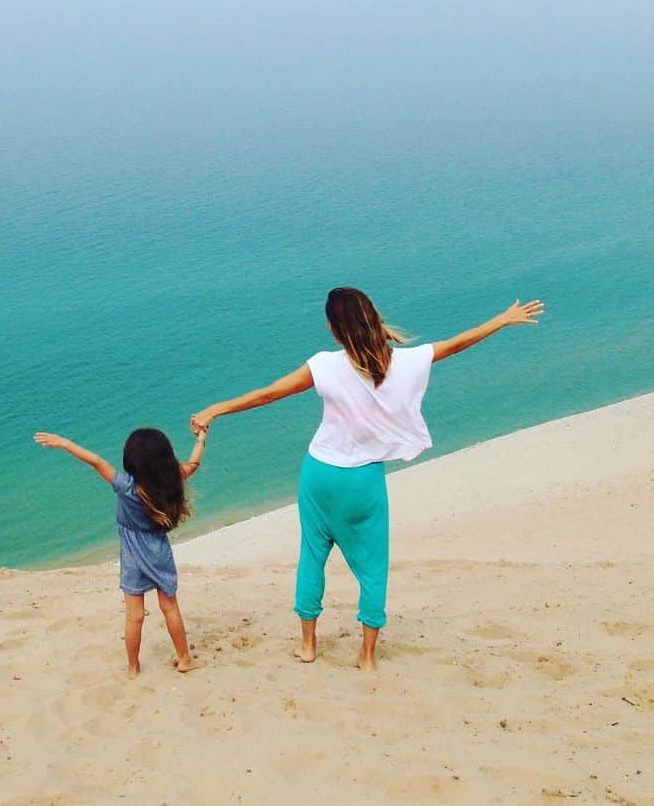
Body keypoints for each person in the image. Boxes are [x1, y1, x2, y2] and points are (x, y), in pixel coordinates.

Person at [190, 287, 544, 670]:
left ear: (333, 328)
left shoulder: (323, 365)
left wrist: (217, 409)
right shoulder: (404, 363)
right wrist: (501, 320)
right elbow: (455, 345)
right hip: (363, 482)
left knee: (312, 556)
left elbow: (269, 395)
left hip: (319, 474)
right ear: (372, 318)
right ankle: (368, 656)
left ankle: (308, 646)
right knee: (373, 568)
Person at [34, 425, 207, 677]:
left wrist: (64, 443)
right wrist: (201, 438)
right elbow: (193, 463)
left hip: (131, 556)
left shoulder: (126, 487)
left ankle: (133, 668)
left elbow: (95, 461)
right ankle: (184, 659)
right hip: (158, 551)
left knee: (134, 617)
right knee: (169, 606)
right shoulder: (171, 480)